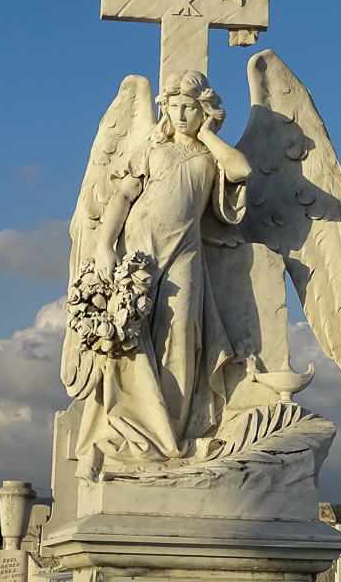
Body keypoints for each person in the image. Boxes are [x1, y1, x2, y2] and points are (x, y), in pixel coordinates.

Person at [76, 70, 251, 464]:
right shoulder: (151, 150)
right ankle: (133, 424)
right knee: (132, 335)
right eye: (174, 107)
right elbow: (123, 197)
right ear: (165, 109)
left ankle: (169, 430)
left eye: (190, 107)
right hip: (140, 251)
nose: (181, 114)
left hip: (185, 251)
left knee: (182, 333)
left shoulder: (211, 155)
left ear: (204, 110)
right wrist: (104, 245)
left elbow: (241, 171)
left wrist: (207, 135)